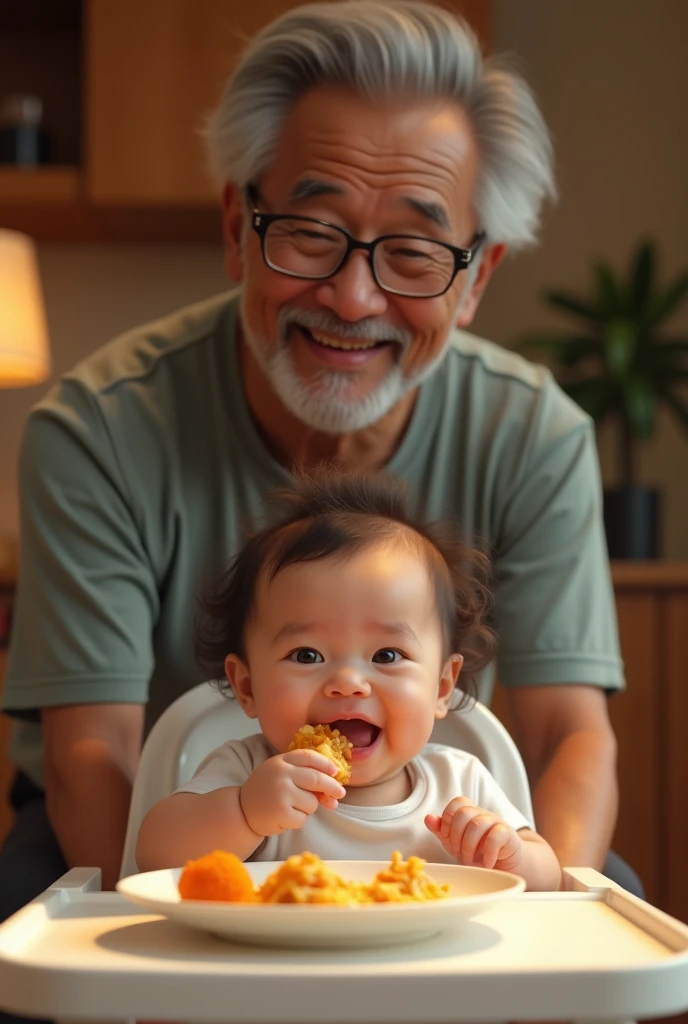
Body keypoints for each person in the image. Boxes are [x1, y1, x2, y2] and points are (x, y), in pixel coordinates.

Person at [0, 4, 641, 1009]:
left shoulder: (534, 433)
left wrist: (532, 905)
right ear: (234, 227)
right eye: (309, 231)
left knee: (610, 915)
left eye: (416, 253)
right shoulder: (96, 428)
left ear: (477, 280)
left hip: (418, 842)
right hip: (164, 832)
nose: (351, 297)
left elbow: (570, 737)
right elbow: (95, 762)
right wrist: (216, 915)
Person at [136, 469, 561, 892]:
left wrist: (512, 855)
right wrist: (245, 812)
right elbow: (155, 853)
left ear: (442, 687)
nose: (348, 683)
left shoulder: (460, 781)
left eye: (387, 655)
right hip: (272, 959)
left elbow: (549, 882)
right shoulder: (247, 773)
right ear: (247, 687)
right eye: (307, 655)